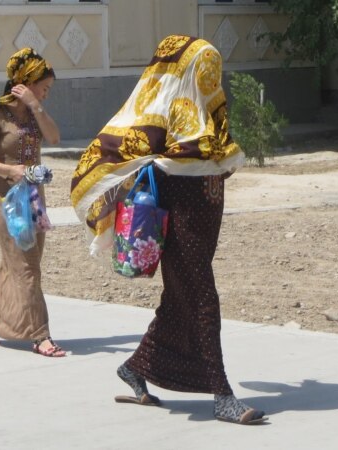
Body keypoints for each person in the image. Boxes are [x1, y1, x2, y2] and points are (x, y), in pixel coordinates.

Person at [70, 35, 266, 424]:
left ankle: (136, 368)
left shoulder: (212, 118)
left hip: (205, 224)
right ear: (188, 71)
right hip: (179, 226)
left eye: (215, 69)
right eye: (206, 70)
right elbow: (125, 162)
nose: (213, 79)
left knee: (180, 301)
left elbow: (223, 161)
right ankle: (222, 395)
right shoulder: (161, 122)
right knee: (203, 300)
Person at [0, 48, 66, 357]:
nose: (47, 94)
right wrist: (10, 169)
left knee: (23, 266)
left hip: (35, 200)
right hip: (8, 203)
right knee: (26, 269)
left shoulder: (36, 113)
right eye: (44, 88)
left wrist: (36, 105)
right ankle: (40, 335)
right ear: (26, 81)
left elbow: (54, 137)